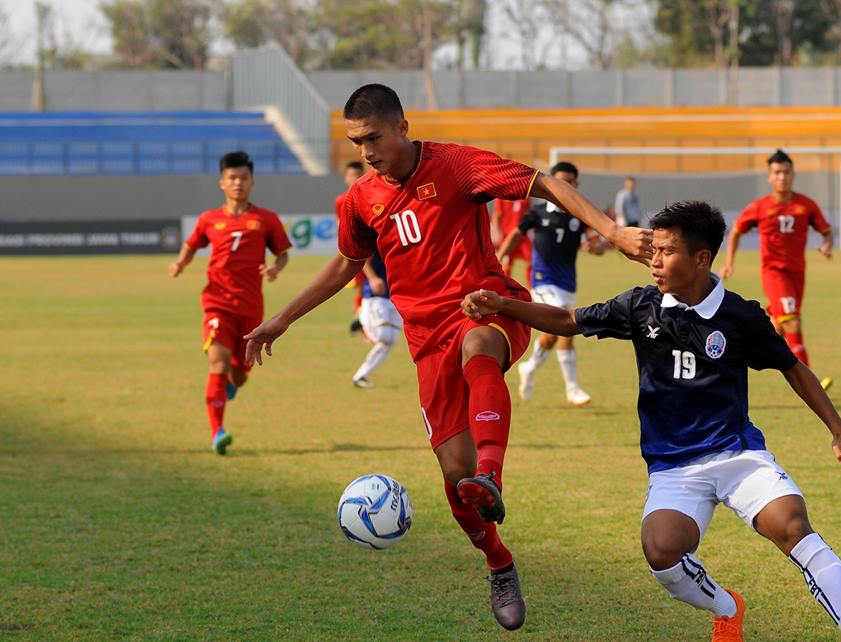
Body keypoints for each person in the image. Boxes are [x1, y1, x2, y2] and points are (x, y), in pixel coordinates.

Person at [242, 83, 651, 631]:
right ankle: (499, 562)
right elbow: (345, 265)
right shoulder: (360, 200)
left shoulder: (456, 165)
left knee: (478, 346)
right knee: (455, 478)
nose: (365, 151)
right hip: (426, 340)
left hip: (486, 303)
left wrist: (612, 230)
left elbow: (542, 182)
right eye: (356, 142)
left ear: (402, 127)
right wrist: (283, 318)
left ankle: (492, 473)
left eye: (373, 137)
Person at [462, 200, 841, 642]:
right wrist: (503, 305)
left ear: (701, 258)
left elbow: (793, 368)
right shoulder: (640, 306)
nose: (654, 261)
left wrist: (840, 430)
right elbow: (567, 320)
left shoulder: (741, 315)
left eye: (666, 251)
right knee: (661, 552)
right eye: (654, 250)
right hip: (673, 467)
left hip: (737, 455)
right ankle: (727, 608)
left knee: (793, 527)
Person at [169, 151, 292, 455]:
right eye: (232, 178)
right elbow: (191, 245)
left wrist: (275, 269)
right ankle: (217, 432)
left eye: (244, 178)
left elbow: (283, 254)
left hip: (250, 308)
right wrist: (180, 263)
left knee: (239, 374)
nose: (238, 183)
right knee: (218, 363)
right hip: (217, 303)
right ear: (222, 183)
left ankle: (233, 382)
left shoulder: (266, 219)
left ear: (252, 182)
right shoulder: (208, 219)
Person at [720, 149, 834, 389]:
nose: (782, 177)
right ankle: (811, 384)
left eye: (786, 172)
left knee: (776, 328)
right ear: (769, 177)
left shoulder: (805, 205)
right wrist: (729, 263)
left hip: (797, 274)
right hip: (774, 273)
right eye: (777, 172)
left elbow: (826, 231)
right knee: (793, 322)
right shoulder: (760, 207)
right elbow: (736, 231)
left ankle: (731, 355)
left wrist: (826, 245)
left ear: (793, 174)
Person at [496, 161, 604, 406]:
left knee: (552, 334)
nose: (565, 186)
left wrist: (594, 248)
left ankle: (529, 367)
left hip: (567, 283)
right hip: (542, 280)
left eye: (569, 182)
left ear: (576, 185)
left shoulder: (579, 215)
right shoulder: (537, 213)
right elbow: (516, 234)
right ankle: (573, 388)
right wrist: (500, 257)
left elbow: (597, 245)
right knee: (568, 324)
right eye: (560, 181)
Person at [351, 250, 402, 389]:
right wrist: (372, 278)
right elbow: (363, 257)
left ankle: (360, 376)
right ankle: (362, 319)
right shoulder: (377, 239)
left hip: (396, 293)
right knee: (383, 336)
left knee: (390, 340)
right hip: (376, 292)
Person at [337, 161, 367, 334]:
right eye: (352, 175)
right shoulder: (341, 200)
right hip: (355, 251)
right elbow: (340, 225)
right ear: (346, 178)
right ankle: (362, 320)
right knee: (361, 286)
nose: (355, 179)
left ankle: (364, 319)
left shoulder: (370, 196)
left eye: (358, 175)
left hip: (374, 251)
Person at [491, 196, 532, 283]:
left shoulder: (525, 195)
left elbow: (529, 213)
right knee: (505, 263)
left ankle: (533, 286)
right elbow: (497, 214)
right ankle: (504, 286)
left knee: (532, 260)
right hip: (507, 237)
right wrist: (496, 231)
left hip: (522, 236)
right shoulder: (501, 196)